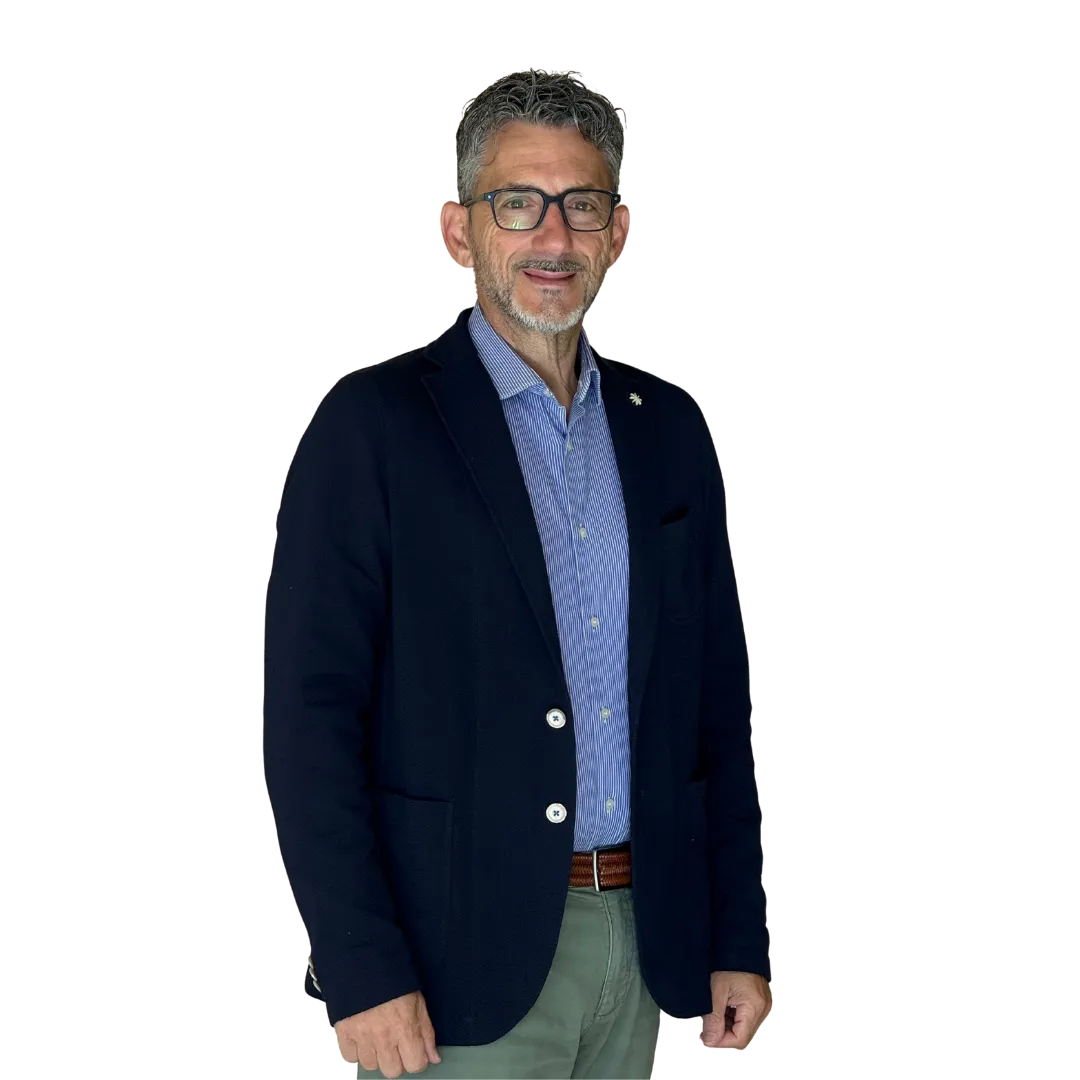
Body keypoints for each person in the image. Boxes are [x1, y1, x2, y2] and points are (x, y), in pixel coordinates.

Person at [264, 68, 771, 1079]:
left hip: (648, 944)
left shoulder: (667, 432)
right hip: (452, 966)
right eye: (517, 203)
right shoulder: (373, 429)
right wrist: (360, 966)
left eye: (581, 205)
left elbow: (715, 707)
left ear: (618, 233)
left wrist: (737, 937)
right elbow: (310, 716)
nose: (553, 236)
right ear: (459, 232)